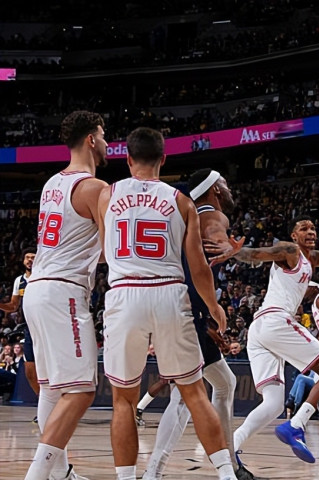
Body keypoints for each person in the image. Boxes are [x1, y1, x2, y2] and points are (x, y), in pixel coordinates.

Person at [97, 127, 237, 480]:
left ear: (128, 159)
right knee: (195, 393)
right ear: (164, 158)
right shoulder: (181, 201)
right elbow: (198, 267)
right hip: (168, 294)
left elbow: (104, 250)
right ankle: (227, 474)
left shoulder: (107, 195)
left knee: (123, 400)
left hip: (125, 292)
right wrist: (214, 306)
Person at [207, 216, 319, 463]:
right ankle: (297, 425)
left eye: (313, 228)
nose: (311, 231)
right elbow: (257, 254)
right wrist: (236, 252)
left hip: (260, 330)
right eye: (304, 228)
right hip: (275, 320)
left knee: (274, 403)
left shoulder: (313, 258)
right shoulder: (290, 250)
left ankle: (231, 446)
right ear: (294, 236)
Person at [23, 110, 108, 480]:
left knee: (51, 389)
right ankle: (37, 475)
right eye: (103, 135)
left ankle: (60, 474)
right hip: (64, 292)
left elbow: (77, 242)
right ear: (91, 139)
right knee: (81, 390)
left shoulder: (51, 184)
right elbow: (112, 248)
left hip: (38, 289)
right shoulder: (95, 188)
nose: (106, 142)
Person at [143, 168, 245, 479]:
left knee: (225, 383)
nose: (228, 188)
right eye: (224, 183)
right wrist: (231, 248)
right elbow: (214, 235)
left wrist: (207, 321)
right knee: (183, 397)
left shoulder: (182, 217)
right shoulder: (212, 214)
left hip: (182, 310)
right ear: (215, 189)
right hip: (184, 311)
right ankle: (153, 471)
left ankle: (231, 462)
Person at [0, 248, 39, 398]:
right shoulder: (19, 281)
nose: (30, 260)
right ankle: (43, 401)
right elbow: (13, 306)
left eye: (33, 257)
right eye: (27, 257)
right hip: (29, 327)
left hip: (46, 326)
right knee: (29, 369)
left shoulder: (44, 276)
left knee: (48, 367)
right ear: (23, 261)